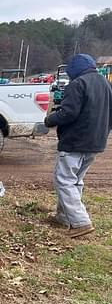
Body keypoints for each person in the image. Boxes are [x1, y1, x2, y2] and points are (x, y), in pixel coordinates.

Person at [44, 53, 112, 238]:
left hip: (75, 142)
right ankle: (64, 217)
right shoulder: (106, 84)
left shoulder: (78, 84)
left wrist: (49, 120)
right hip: (96, 143)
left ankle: (81, 222)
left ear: (74, 69)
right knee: (75, 181)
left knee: (64, 180)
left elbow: (68, 114)